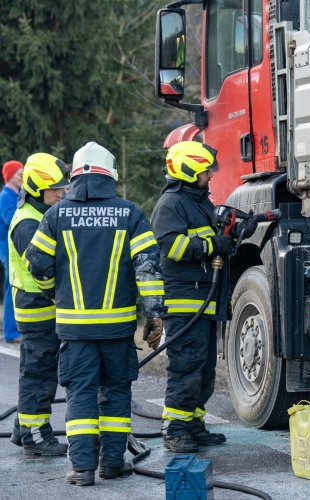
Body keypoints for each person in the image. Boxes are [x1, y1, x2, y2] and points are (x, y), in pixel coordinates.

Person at [25, 142, 164, 486]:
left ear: (74, 176)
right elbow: (148, 270)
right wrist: (154, 316)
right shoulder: (130, 214)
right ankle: (113, 464)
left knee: (81, 395)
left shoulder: (55, 215)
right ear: (110, 174)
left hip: (75, 331)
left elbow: (36, 265)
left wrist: (55, 295)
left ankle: (83, 468)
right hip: (117, 331)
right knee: (116, 393)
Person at [150, 141, 257, 453]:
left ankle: (193, 425)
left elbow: (215, 242)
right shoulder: (171, 204)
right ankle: (175, 430)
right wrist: (214, 246)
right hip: (186, 303)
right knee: (186, 368)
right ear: (188, 171)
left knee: (204, 371)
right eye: (205, 170)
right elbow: (173, 248)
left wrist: (237, 234)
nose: (210, 175)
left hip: (205, 301)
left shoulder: (200, 203)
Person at [9, 153, 70, 456]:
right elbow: (44, 267)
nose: (61, 193)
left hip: (39, 306)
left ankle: (23, 429)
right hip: (37, 308)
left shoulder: (38, 214)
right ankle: (36, 435)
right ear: (37, 188)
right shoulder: (28, 224)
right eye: (55, 189)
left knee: (36, 368)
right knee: (39, 373)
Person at [0, 160, 23, 343]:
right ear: (9, 176)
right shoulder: (6, 195)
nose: (22, 176)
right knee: (11, 286)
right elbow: (10, 218)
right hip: (6, 247)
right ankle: (10, 332)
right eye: (19, 173)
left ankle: (15, 328)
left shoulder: (16, 194)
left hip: (13, 245)